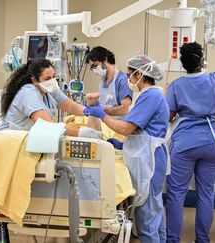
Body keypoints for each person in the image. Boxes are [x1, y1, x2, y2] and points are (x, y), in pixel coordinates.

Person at [0, 58, 95, 242]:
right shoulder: (29, 93)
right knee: (0, 206)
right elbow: (45, 124)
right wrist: (83, 132)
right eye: (48, 78)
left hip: (26, 143)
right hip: (6, 146)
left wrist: (91, 111)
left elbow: (70, 106)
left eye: (54, 77)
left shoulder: (49, 90)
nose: (53, 81)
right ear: (34, 80)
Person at [165, 42, 215, 243]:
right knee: (206, 195)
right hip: (212, 143)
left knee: (176, 195)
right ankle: (202, 240)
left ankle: (172, 240)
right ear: (201, 62)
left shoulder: (176, 85)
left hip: (184, 145)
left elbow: (168, 116)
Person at [84, 54, 169, 243]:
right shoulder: (149, 95)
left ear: (139, 73)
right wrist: (123, 145)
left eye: (130, 74)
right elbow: (142, 131)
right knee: (154, 211)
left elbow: (127, 128)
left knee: (147, 216)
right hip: (148, 153)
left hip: (149, 159)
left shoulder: (151, 95)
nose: (128, 78)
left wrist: (101, 114)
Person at [86, 46, 133, 118]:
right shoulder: (103, 81)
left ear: (105, 59)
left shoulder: (122, 79)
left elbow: (125, 109)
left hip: (118, 124)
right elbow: (103, 103)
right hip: (106, 123)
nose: (95, 70)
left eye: (95, 65)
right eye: (92, 68)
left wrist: (101, 111)